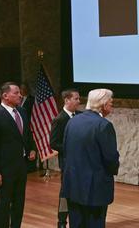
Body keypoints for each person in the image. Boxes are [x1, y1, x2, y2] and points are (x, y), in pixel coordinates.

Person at [61, 88, 119, 228]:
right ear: (103, 104)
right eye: (111, 102)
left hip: (73, 184)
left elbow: (66, 150)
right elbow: (111, 158)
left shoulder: (72, 121)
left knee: (76, 223)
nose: (112, 105)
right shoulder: (104, 125)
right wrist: (113, 169)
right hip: (95, 188)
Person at [0, 82, 37, 228]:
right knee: (3, 205)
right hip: (4, 170)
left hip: (20, 167)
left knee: (19, 203)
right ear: (5, 96)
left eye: (20, 93)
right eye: (16, 93)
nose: (20, 95)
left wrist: (32, 148)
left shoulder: (22, 111)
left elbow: (27, 134)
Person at [50, 88, 81, 228]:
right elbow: (54, 143)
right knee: (65, 193)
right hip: (68, 164)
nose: (79, 101)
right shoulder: (59, 119)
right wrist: (70, 149)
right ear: (67, 100)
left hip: (81, 163)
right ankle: (62, 221)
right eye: (76, 99)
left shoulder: (81, 116)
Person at [19, 81, 37, 173]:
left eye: (24, 88)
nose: (22, 90)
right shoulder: (17, 100)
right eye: (21, 88)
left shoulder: (31, 99)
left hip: (29, 123)